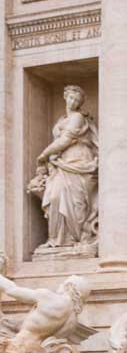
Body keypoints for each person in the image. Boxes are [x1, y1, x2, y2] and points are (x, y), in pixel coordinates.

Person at [27, 84, 98, 253]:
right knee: (55, 196)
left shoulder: (78, 118)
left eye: (77, 100)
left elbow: (66, 140)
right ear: (65, 97)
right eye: (71, 98)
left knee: (76, 201)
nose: (73, 102)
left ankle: (75, 237)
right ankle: (56, 239)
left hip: (79, 160)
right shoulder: (61, 120)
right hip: (61, 163)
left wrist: (43, 155)